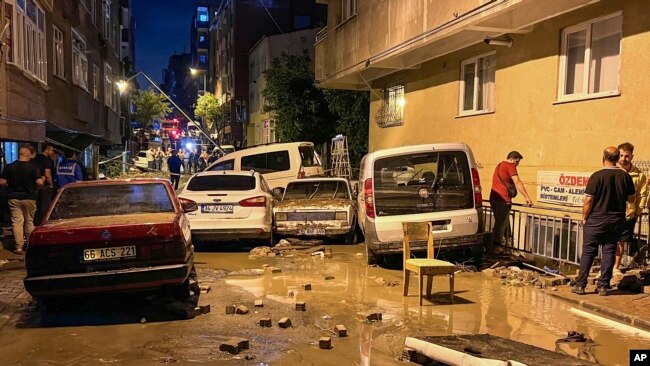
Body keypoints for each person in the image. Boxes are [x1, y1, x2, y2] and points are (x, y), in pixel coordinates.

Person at [573, 147, 635, 296]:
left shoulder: (597, 176)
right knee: (609, 251)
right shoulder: (625, 177)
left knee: (588, 252)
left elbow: (588, 200)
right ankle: (603, 286)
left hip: (596, 219)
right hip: (616, 220)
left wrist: (584, 217)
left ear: (603, 158)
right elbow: (632, 199)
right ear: (617, 158)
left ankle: (580, 285)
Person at [0, 146, 44, 254]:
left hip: (13, 198)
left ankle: (19, 246)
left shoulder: (9, 167)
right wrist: (40, 182)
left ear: (19, 154)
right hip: (29, 198)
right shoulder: (33, 168)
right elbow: (39, 183)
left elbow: (2, 182)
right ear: (28, 155)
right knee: (29, 221)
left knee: (17, 222)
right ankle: (30, 245)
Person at [489, 151, 533, 252]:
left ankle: (503, 244)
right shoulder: (510, 166)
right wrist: (527, 197)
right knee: (501, 224)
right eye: (517, 162)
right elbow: (517, 181)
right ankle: (496, 247)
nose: (517, 164)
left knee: (502, 222)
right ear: (512, 159)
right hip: (503, 200)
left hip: (494, 198)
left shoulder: (499, 165)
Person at [614, 142, 648, 273]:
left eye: (626, 156)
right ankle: (606, 267)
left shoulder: (639, 175)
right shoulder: (612, 172)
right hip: (612, 213)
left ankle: (615, 268)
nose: (623, 159)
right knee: (610, 242)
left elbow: (642, 195)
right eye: (621, 155)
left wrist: (637, 212)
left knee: (620, 242)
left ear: (632, 157)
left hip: (628, 214)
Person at [31, 143, 55, 225]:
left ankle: (36, 223)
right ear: (47, 149)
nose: (53, 152)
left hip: (35, 186)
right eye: (52, 150)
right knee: (45, 207)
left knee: (37, 207)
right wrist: (52, 184)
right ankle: (43, 224)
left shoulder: (36, 159)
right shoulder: (47, 160)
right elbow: (47, 174)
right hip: (44, 186)